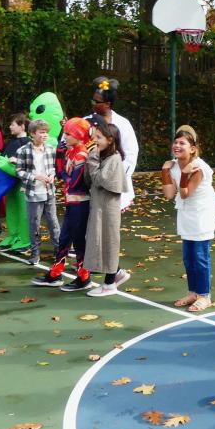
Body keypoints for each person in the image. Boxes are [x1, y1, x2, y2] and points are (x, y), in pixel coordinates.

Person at [161, 125, 215, 312]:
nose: (177, 145)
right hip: (186, 213)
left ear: (193, 148)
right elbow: (170, 194)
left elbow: (185, 193)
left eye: (182, 143)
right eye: (176, 142)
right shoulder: (173, 164)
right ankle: (193, 292)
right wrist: (165, 172)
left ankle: (204, 296)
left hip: (202, 213)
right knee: (188, 257)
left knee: (200, 257)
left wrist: (185, 174)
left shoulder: (199, 168)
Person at [33, 117, 92, 290]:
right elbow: (61, 173)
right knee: (65, 238)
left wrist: (64, 178)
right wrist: (60, 153)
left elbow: (73, 182)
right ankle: (55, 273)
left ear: (78, 135)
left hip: (80, 204)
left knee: (78, 240)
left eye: (68, 133)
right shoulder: (71, 151)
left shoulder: (81, 154)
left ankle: (84, 277)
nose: (64, 137)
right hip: (71, 202)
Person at [83, 120, 131, 297]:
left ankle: (110, 283)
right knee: (98, 241)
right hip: (98, 206)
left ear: (110, 140)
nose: (95, 141)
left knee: (109, 242)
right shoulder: (101, 156)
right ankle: (115, 272)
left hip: (108, 208)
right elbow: (89, 180)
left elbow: (100, 180)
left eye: (99, 137)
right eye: (94, 136)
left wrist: (93, 159)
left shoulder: (114, 159)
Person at [85, 77, 138, 212]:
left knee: (110, 225)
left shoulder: (123, 124)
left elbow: (131, 154)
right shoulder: (85, 122)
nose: (93, 104)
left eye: (96, 101)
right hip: (89, 183)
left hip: (114, 185)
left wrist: (113, 178)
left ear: (107, 104)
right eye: (92, 100)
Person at [14, 119, 60, 265]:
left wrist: (52, 175)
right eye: (42, 132)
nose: (45, 135)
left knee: (53, 223)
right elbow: (19, 171)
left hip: (49, 192)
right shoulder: (23, 151)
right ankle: (35, 253)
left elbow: (53, 168)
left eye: (46, 132)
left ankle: (59, 252)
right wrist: (35, 177)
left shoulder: (51, 149)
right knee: (34, 224)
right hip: (33, 194)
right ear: (32, 133)